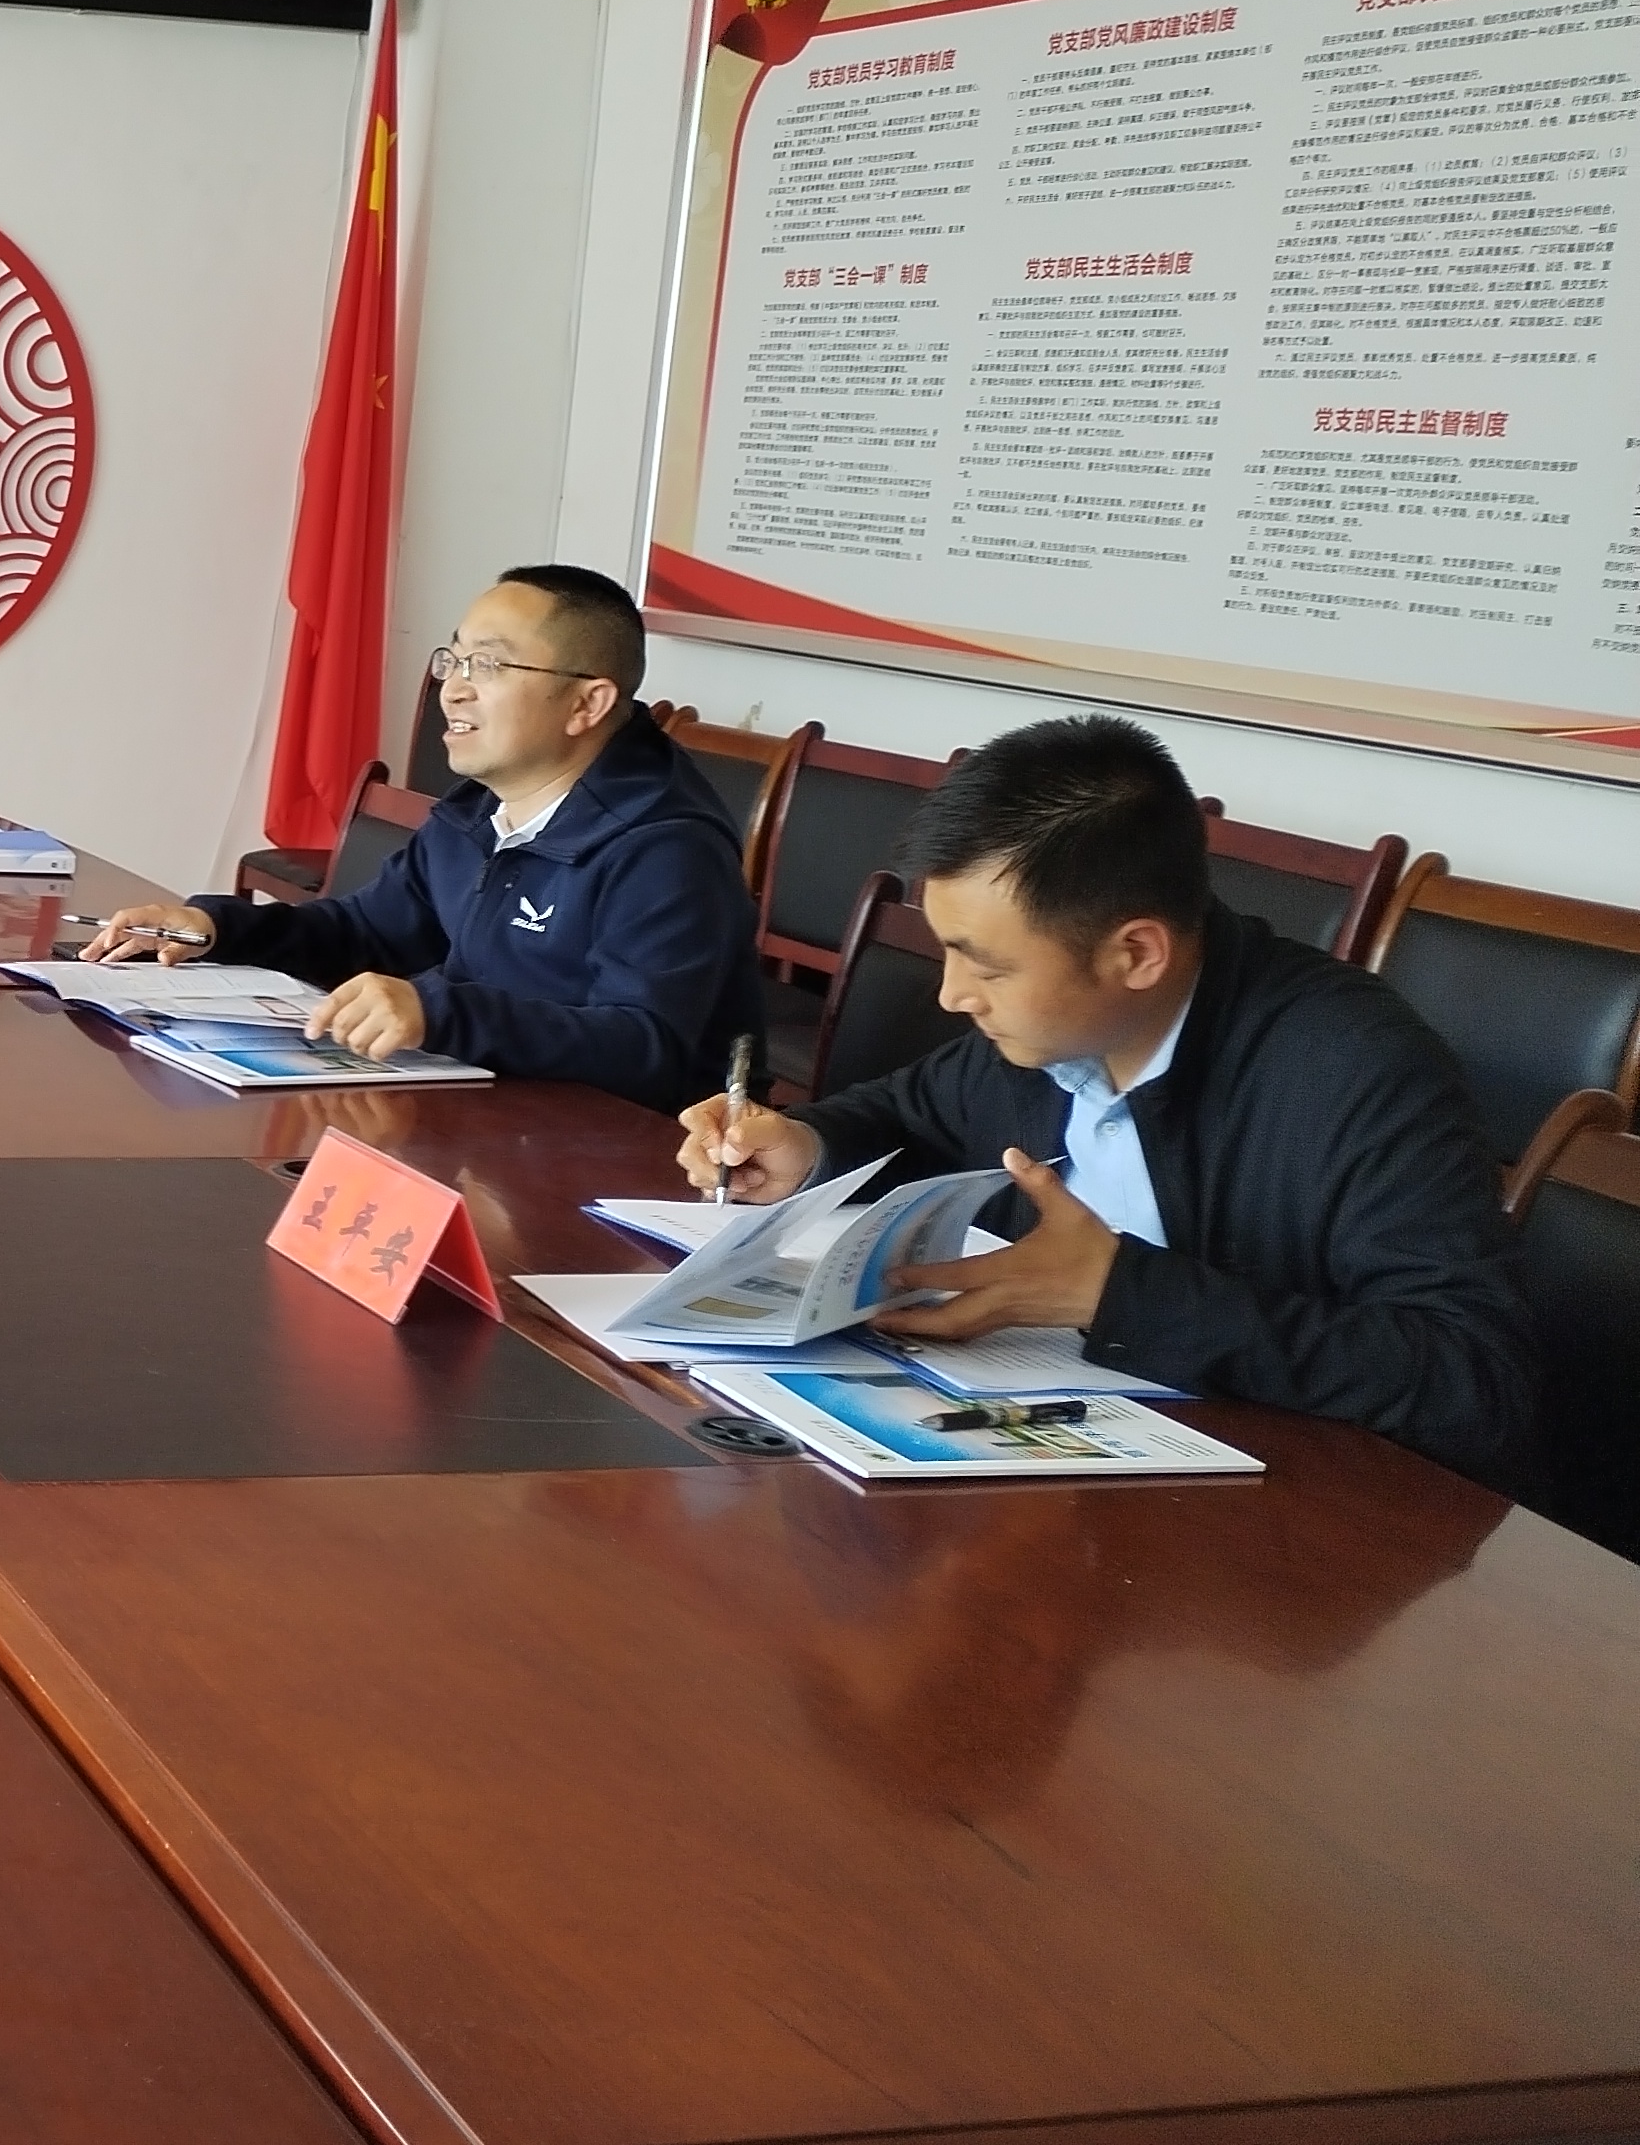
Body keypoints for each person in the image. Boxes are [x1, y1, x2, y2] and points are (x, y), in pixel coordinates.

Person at [678, 713, 1540, 1491]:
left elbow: (1471, 1380)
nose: (952, 995)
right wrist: (806, 1147)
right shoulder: (1054, 1029)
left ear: (1136, 954)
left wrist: (1116, 1293)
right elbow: (912, 1114)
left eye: (987, 966)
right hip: (1052, 1467)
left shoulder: (1353, 1071)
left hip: (1276, 1528)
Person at [80, 564, 764, 1110]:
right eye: (454, 661)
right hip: (490, 1110)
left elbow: (647, 1046)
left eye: (488, 667)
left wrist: (437, 1012)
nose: (453, 691)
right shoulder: (477, 811)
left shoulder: (666, 848)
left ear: (588, 703)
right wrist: (217, 929)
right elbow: (367, 933)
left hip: (624, 1156)